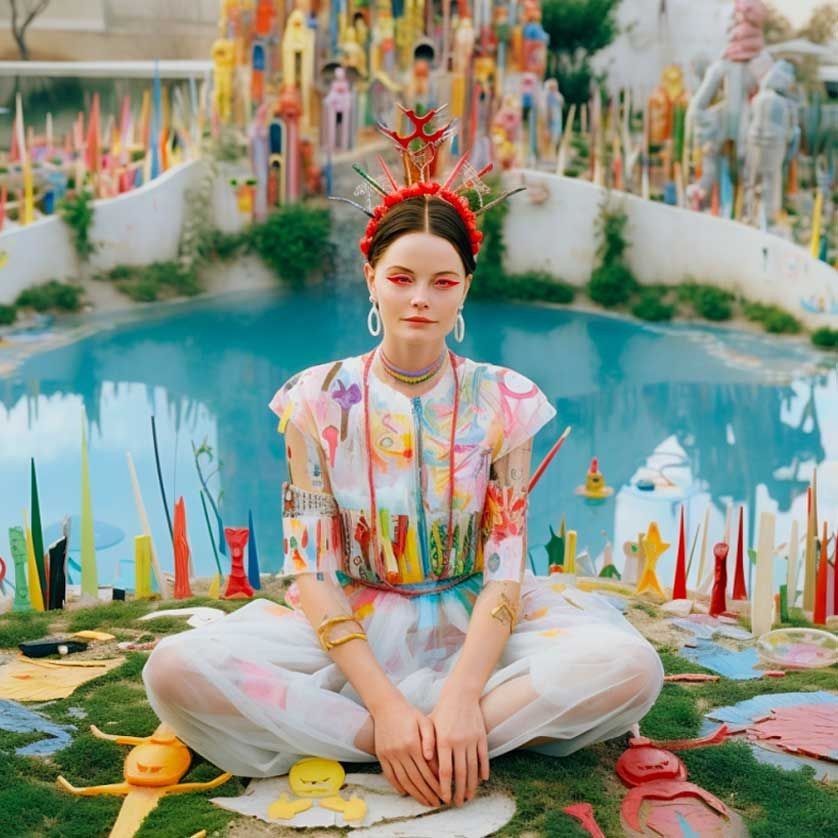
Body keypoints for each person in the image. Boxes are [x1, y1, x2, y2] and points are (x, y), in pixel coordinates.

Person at [143, 108, 663, 811]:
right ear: (371, 279)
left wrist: (460, 694)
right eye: (402, 277)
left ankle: (445, 730)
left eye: (443, 282)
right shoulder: (313, 401)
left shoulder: (504, 400)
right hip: (348, 625)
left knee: (631, 667)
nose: (420, 298)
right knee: (174, 669)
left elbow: (506, 572)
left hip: (480, 617)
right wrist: (386, 707)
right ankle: (398, 739)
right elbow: (310, 569)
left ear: (466, 288)